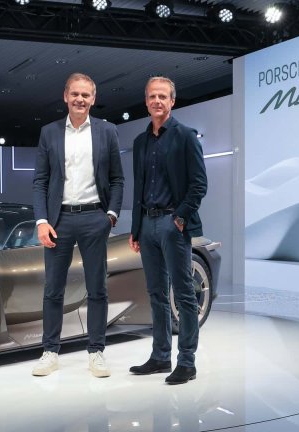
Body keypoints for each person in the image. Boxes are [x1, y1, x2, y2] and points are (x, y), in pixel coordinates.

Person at [31, 72, 124, 378]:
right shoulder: (49, 133)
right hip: (58, 221)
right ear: (65, 96)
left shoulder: (107, 131)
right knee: (53, 290)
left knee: (97, 289)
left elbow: (117, 179)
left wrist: (110, 216)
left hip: (95, 218)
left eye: (85, 95)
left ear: (93, 99)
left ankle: (96, 352)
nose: (80, 99)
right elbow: (40, 181)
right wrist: (42, 221)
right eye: (75, 94)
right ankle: (50, 352)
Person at [128, 76, 207, 385]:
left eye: (163, 96)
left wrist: (180, 217)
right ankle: (160, 356)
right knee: (156, 293)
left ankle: (187, 361)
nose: (157, 101)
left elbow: (199, 184)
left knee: (184, 294)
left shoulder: (186, 136)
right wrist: (136, 227)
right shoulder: (140, 142)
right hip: (147, 224)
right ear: (146, 101)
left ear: (172, 101)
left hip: (173, 224)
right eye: (152, 96)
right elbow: (139, 188)